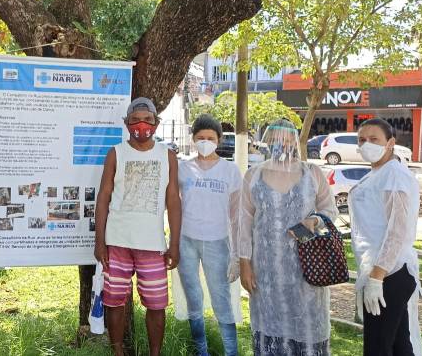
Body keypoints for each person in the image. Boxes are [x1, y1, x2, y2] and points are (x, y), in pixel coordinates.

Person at [238, 119, 337, 355]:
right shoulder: (253, 175)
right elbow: (243, 222)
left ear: (295, 140)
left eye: (287, 138)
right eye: (275, 139)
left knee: (308, 330)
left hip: (306, 270)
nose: (281, 144)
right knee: (269, 332)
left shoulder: (312, 173)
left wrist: (313, 221)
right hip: (266, 273)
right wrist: (244, 264)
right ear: (267, 142)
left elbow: (330, 210)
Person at [94, 97, 181, 356]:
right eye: (135, 120)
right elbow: (103, 198)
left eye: (147, 120)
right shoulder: (116, 153)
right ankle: (117, 351)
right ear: (126, 123)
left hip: (152, 245)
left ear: (156, 123)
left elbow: (174, 201)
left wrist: (174, 244)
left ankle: (155, 353)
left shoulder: (168, 156)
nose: (141, 124)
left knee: (156, 305)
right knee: (114, 301)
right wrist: (100, 241)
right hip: (117, 242)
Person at [349, 118, 422, 356]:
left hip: (390, 274)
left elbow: (397, 230)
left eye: (374, 139)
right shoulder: (377, 173)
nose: (366, 144)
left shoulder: (394, 174)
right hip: (381, 272)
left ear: (390, 143)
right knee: (399, 346)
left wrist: (377, 278)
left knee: (377, 348)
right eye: (362, 140)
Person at [177, 114, 242, 356]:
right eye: (201, 138)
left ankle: (231, 351)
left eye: (210, 138)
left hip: (218, 242)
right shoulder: (183, 169)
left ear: (219, 140)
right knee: (194, 298)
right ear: (193, 139)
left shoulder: (230, 170)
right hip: (186, 241)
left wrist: (236, 254)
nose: (205, 141)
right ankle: (200, 350)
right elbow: (171, 206)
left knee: (221, 300)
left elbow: (237, 217)